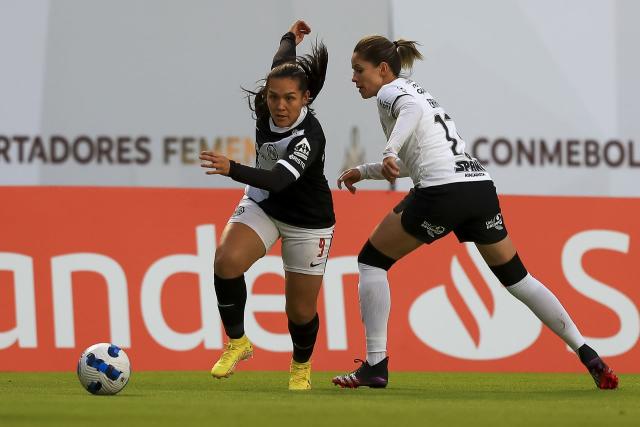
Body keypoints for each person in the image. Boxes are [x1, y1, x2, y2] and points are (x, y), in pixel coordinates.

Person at [331, 35, 618, 390]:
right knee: (518, 278)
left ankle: (375, 365)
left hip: (442, 192)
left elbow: (411, 118)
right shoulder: (416, 91)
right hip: (478, 188)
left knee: (372, 261)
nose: (355, 78)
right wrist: (369, 169)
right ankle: (588, 354)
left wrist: (388, 150)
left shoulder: (392, 94)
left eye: (359, 70)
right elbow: (417, 157)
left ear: (384, 69)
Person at [199, 20, 334, 390]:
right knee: (226, 261)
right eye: (273, 96)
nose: (279, 105)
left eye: (290, 98)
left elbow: (279, 179)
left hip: (308, 220)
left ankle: (300, 367)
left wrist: (233, 169)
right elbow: (282, 61)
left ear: (306, 98)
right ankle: (239, 343)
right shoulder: (268, 102)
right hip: (264, 205)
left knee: (300, 311)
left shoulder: (310, 136)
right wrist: (290, 38)